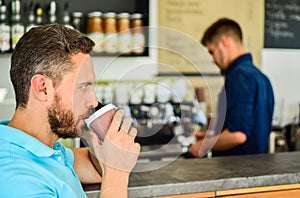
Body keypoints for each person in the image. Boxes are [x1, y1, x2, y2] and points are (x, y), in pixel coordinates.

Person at [0, 24, 140, 197]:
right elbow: (110, 174)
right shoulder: (15, 176)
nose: (93, 101)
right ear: (43, 88)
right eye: (83, 87)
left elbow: (96, 169)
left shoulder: (45, 150)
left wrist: (101, 148)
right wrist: (117, 175)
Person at [189, 18, 274, 157]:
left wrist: (204, 145)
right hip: (256, 170)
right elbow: (249, 132)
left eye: (212, 51)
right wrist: (210, 138)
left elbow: (238, 135)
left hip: (239, 172)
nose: (213, 59)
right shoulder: (260, 77)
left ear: (224, 42)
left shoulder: (239, 77)